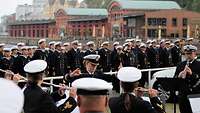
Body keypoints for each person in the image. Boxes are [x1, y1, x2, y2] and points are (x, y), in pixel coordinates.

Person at [174, 45, 200, 113]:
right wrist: (178, 76)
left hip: (195, 93)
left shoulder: (198, 64)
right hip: (183, 95)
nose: (188, 56)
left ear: (194, 53)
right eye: (187, 54)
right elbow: (175, 78)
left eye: (190, 54)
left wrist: (192, 74)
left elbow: (198, 78)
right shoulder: (180, 64)